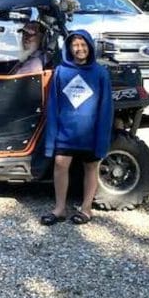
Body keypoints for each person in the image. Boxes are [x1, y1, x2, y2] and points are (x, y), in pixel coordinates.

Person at [41, 30, 113, 226]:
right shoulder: (61, 72)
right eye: (75, 45)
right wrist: (51, 139)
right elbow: (53, 105)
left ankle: (86, 209)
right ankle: (60, 208)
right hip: (65, 132)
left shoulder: (100, 73)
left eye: (83, 45)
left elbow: (106, 108)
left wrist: (102, 139)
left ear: (89, 46)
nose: (79, 49)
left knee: (91, 168)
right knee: (60, 165)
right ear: (69, 48)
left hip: (90, 133)